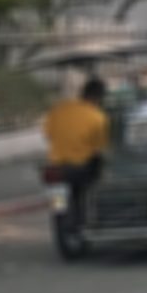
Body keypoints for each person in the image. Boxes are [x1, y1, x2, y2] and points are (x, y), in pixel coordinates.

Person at [44, 77, 109, 223]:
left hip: (55, 168)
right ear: (98, 97)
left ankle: (59, 219)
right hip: (79, 170)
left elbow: (48, 134)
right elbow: (100, 148)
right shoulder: (97, 117)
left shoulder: (59, 110)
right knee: (85, 188)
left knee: (57, 203)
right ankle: (85, 219)